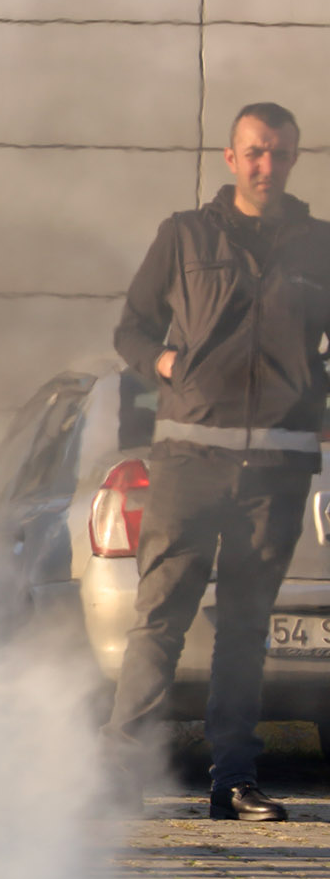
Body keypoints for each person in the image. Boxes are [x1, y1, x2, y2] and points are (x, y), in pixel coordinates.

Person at [105, 102, 330, 822]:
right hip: (189, 457)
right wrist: (164, 358)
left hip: (281, 466)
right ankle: (120, 774)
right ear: (231, 158)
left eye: (283, 153)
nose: (269, 166)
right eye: (256, 152)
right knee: (161, 617)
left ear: (295, 159)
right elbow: (131, 327)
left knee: (244, 627)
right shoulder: (185, 235)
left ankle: (233, 781)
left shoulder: (319, 246)